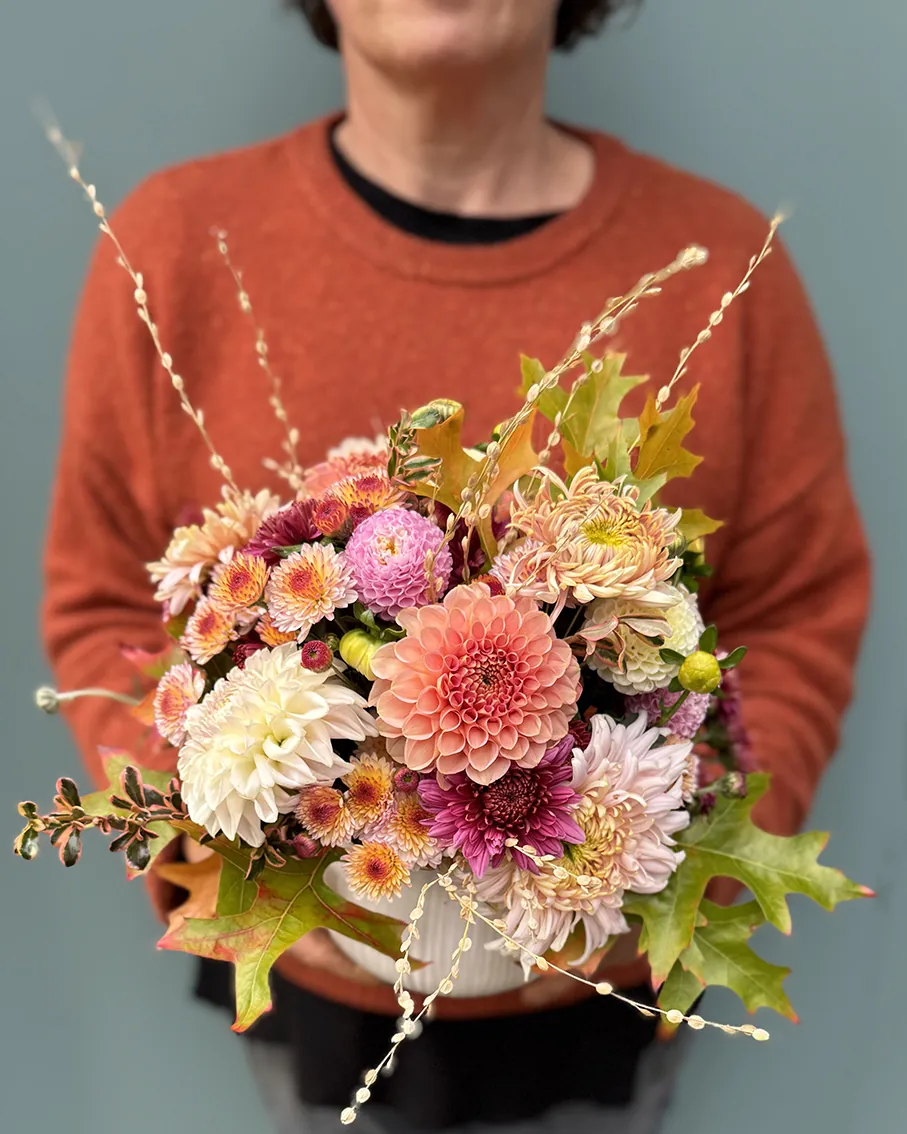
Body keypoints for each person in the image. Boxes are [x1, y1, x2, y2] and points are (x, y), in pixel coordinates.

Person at [43, 1, 870, 1131]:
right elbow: (99, 604)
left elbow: (797, 609)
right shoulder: (178, 243)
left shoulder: (722, 268)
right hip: (308, 994)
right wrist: (245, 852)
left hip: (608, 1002)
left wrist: (664, 863)